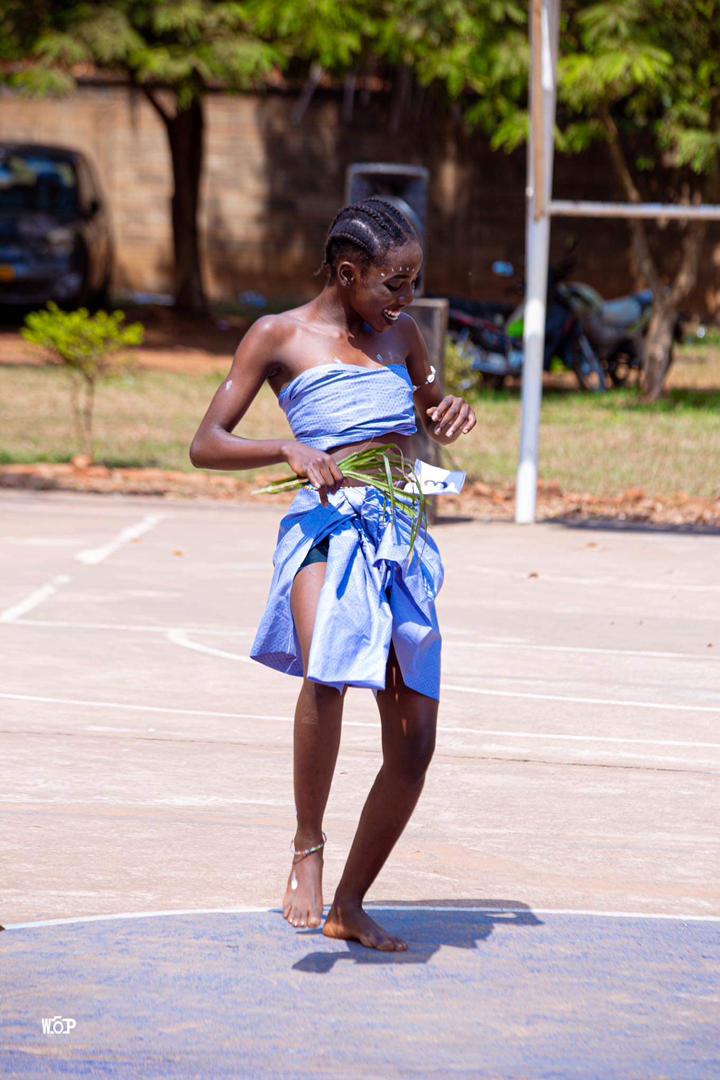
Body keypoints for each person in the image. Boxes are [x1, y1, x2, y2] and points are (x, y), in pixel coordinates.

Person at [189, 197, 476, 952]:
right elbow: (207, 443)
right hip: (325, 530)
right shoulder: (277, 336)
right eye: (393, 283)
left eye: (413, 282)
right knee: (329, 667)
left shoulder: (405, 335)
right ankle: (307, 846)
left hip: (399, 535)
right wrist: (285, 448)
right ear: (348, 273)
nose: (405, 299)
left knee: (415, 741)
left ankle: (350, 901)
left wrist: (444, 414)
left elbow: (426, 409)